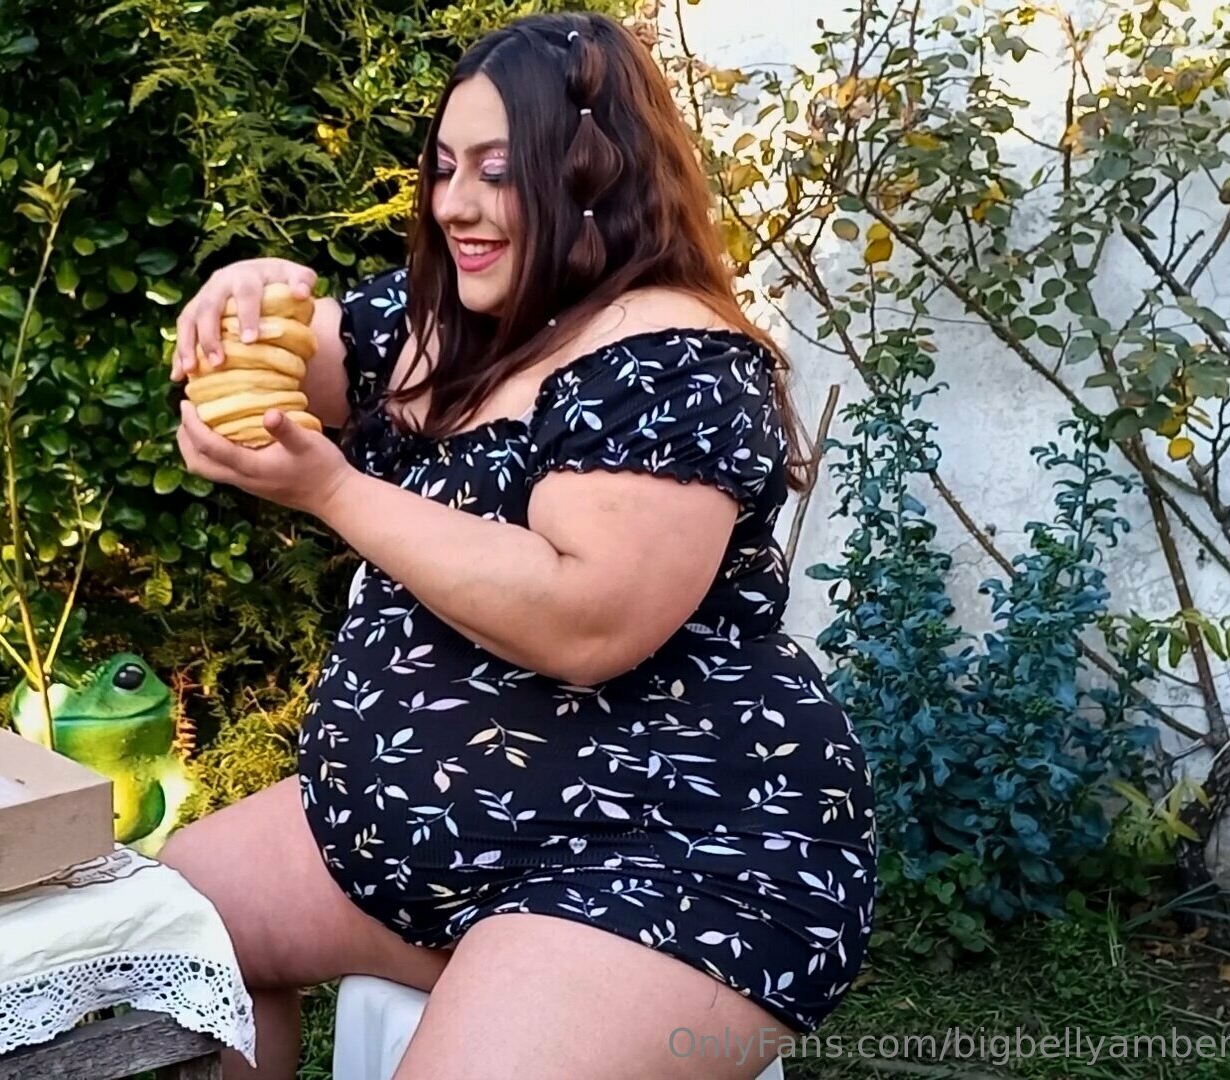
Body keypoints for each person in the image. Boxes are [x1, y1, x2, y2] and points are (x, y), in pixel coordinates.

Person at [159, 12, 876, 1079]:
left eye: (497, 171)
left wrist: (334, 492)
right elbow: (306, 350)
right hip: (443, 847)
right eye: (445, 167)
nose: (455, 203)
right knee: (172, 930)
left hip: (665, 853)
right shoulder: (457, 319)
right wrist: (251, 291)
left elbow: (586, 624)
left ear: (597, 176)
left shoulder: (674, 355)